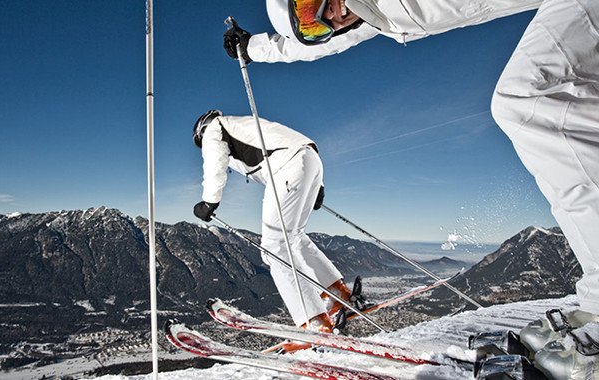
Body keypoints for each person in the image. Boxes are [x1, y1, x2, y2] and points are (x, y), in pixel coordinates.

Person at [224, 0, 599, 375]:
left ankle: (312, 320)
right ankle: (595, 305)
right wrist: (255, 48)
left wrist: (211, 201)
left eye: (311, 4)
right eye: (313, 23)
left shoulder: (215, 133)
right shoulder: (374, 17)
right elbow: (322, 44)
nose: (331, 16)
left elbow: (240, 161)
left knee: (532, 101)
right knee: (532, 98)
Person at [192, 110, 353, 352]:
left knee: (274, 248)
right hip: (309, 160)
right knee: (294, 237)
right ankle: (335, 293)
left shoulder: (215, 128)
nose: (203, 145)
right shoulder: (243, 125)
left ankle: (314, 322)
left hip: (287, 166)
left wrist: (209, 201)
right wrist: (317, 186)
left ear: (200, 132)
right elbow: (297, 144)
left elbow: (215, 161)